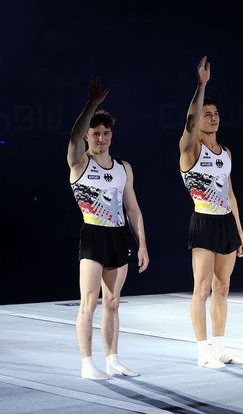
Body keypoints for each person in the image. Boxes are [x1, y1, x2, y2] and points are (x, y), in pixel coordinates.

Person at [67, 76, 150, 380]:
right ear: (88, 136)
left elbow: (133, 209)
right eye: (96, 134)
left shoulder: (123, 168)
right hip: (93, 235)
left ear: (112, 135)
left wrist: (142, 244)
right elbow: (73, 139)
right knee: (89, 302)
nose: (101, 139)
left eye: (106, 133)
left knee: (113, 303)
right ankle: (87, 363)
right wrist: (92, 104)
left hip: (118, 236)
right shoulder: (79, 163)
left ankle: (113, 360)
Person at [180, 57, 243, 368]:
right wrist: (202, 85)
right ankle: (202, 351)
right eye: (207, 114)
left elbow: (230, 194)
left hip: (225, 223)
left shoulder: (226, 152)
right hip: (204, 221)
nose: (213, 117)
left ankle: (220, 348)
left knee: (223, 287)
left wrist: (240, 233)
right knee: (202, 288)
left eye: (216, 113)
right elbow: (190, 122)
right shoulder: (191, 149)